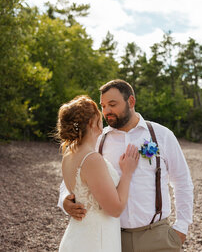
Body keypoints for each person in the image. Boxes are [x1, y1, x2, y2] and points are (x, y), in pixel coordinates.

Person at [58, 80, 194, 252]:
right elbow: (74, 179)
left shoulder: (162, 135)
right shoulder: (97, 140)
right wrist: (65, 202)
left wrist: (182, 227)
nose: (106, 111)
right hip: (112, 238)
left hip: (157, 236)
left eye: (112, 104)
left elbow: (182, 181)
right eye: (103, 106)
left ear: (131, 102)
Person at [56, 95, 139, 252]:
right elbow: (115, 209)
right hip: (95, 241)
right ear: (91, 123)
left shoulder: (69, 154)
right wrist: (127, 172)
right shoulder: (92, 159)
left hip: (78, 235)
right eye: (99, 115)